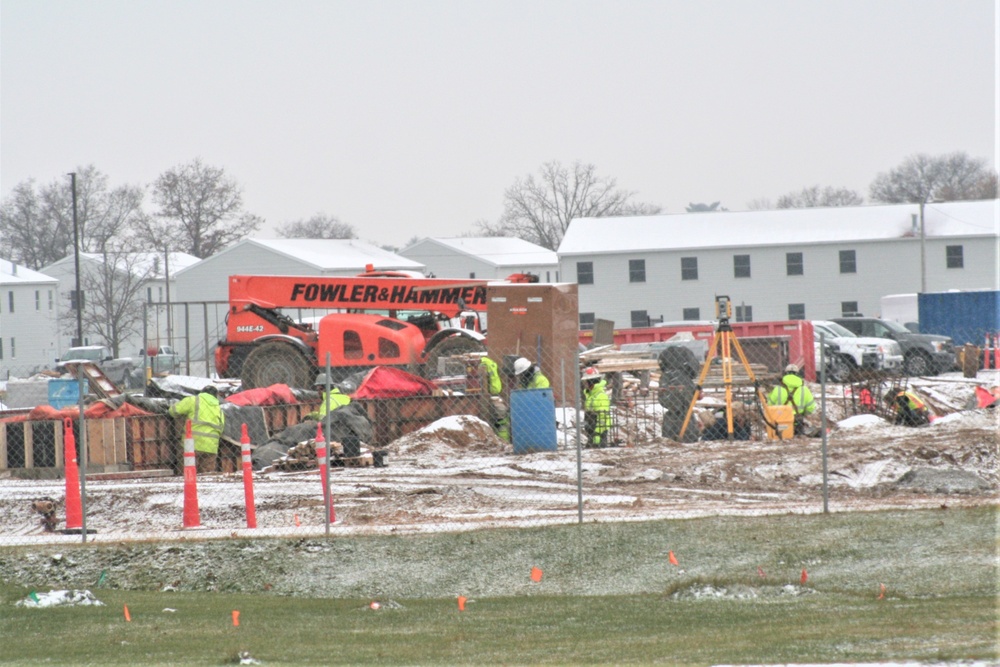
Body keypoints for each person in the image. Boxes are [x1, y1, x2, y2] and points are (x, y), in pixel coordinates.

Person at [169, 385, 225, 473]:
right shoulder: (218, 408)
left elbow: (174, 411)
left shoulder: (193, 400)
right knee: (206, 476)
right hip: (211, 447)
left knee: (187, 473)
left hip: (192, 444)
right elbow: (221, 428)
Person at [767, 364, 816, 435]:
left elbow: (769, 405)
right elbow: (811, 408)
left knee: (782, 437)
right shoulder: (804, 390)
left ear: (785, 374)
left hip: (781, 419)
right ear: (797, 374)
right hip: (797, 420)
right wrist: (804, 414)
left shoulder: (778, 389)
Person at [478, 356, 509, 441]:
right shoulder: (490, 363)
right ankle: (501, 440)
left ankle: (502, 440)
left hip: (491, 394)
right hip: (494, 393)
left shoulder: (483, 365)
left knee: (501, 416)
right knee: (500, 418)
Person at [582, 367, 612, 447]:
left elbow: (603, 417)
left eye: (586, 382)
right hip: (592, 429)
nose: (585, 384)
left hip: (599, 431)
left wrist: (597, 433)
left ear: (591, 382)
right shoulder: (591, 395)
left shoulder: (600, 396)